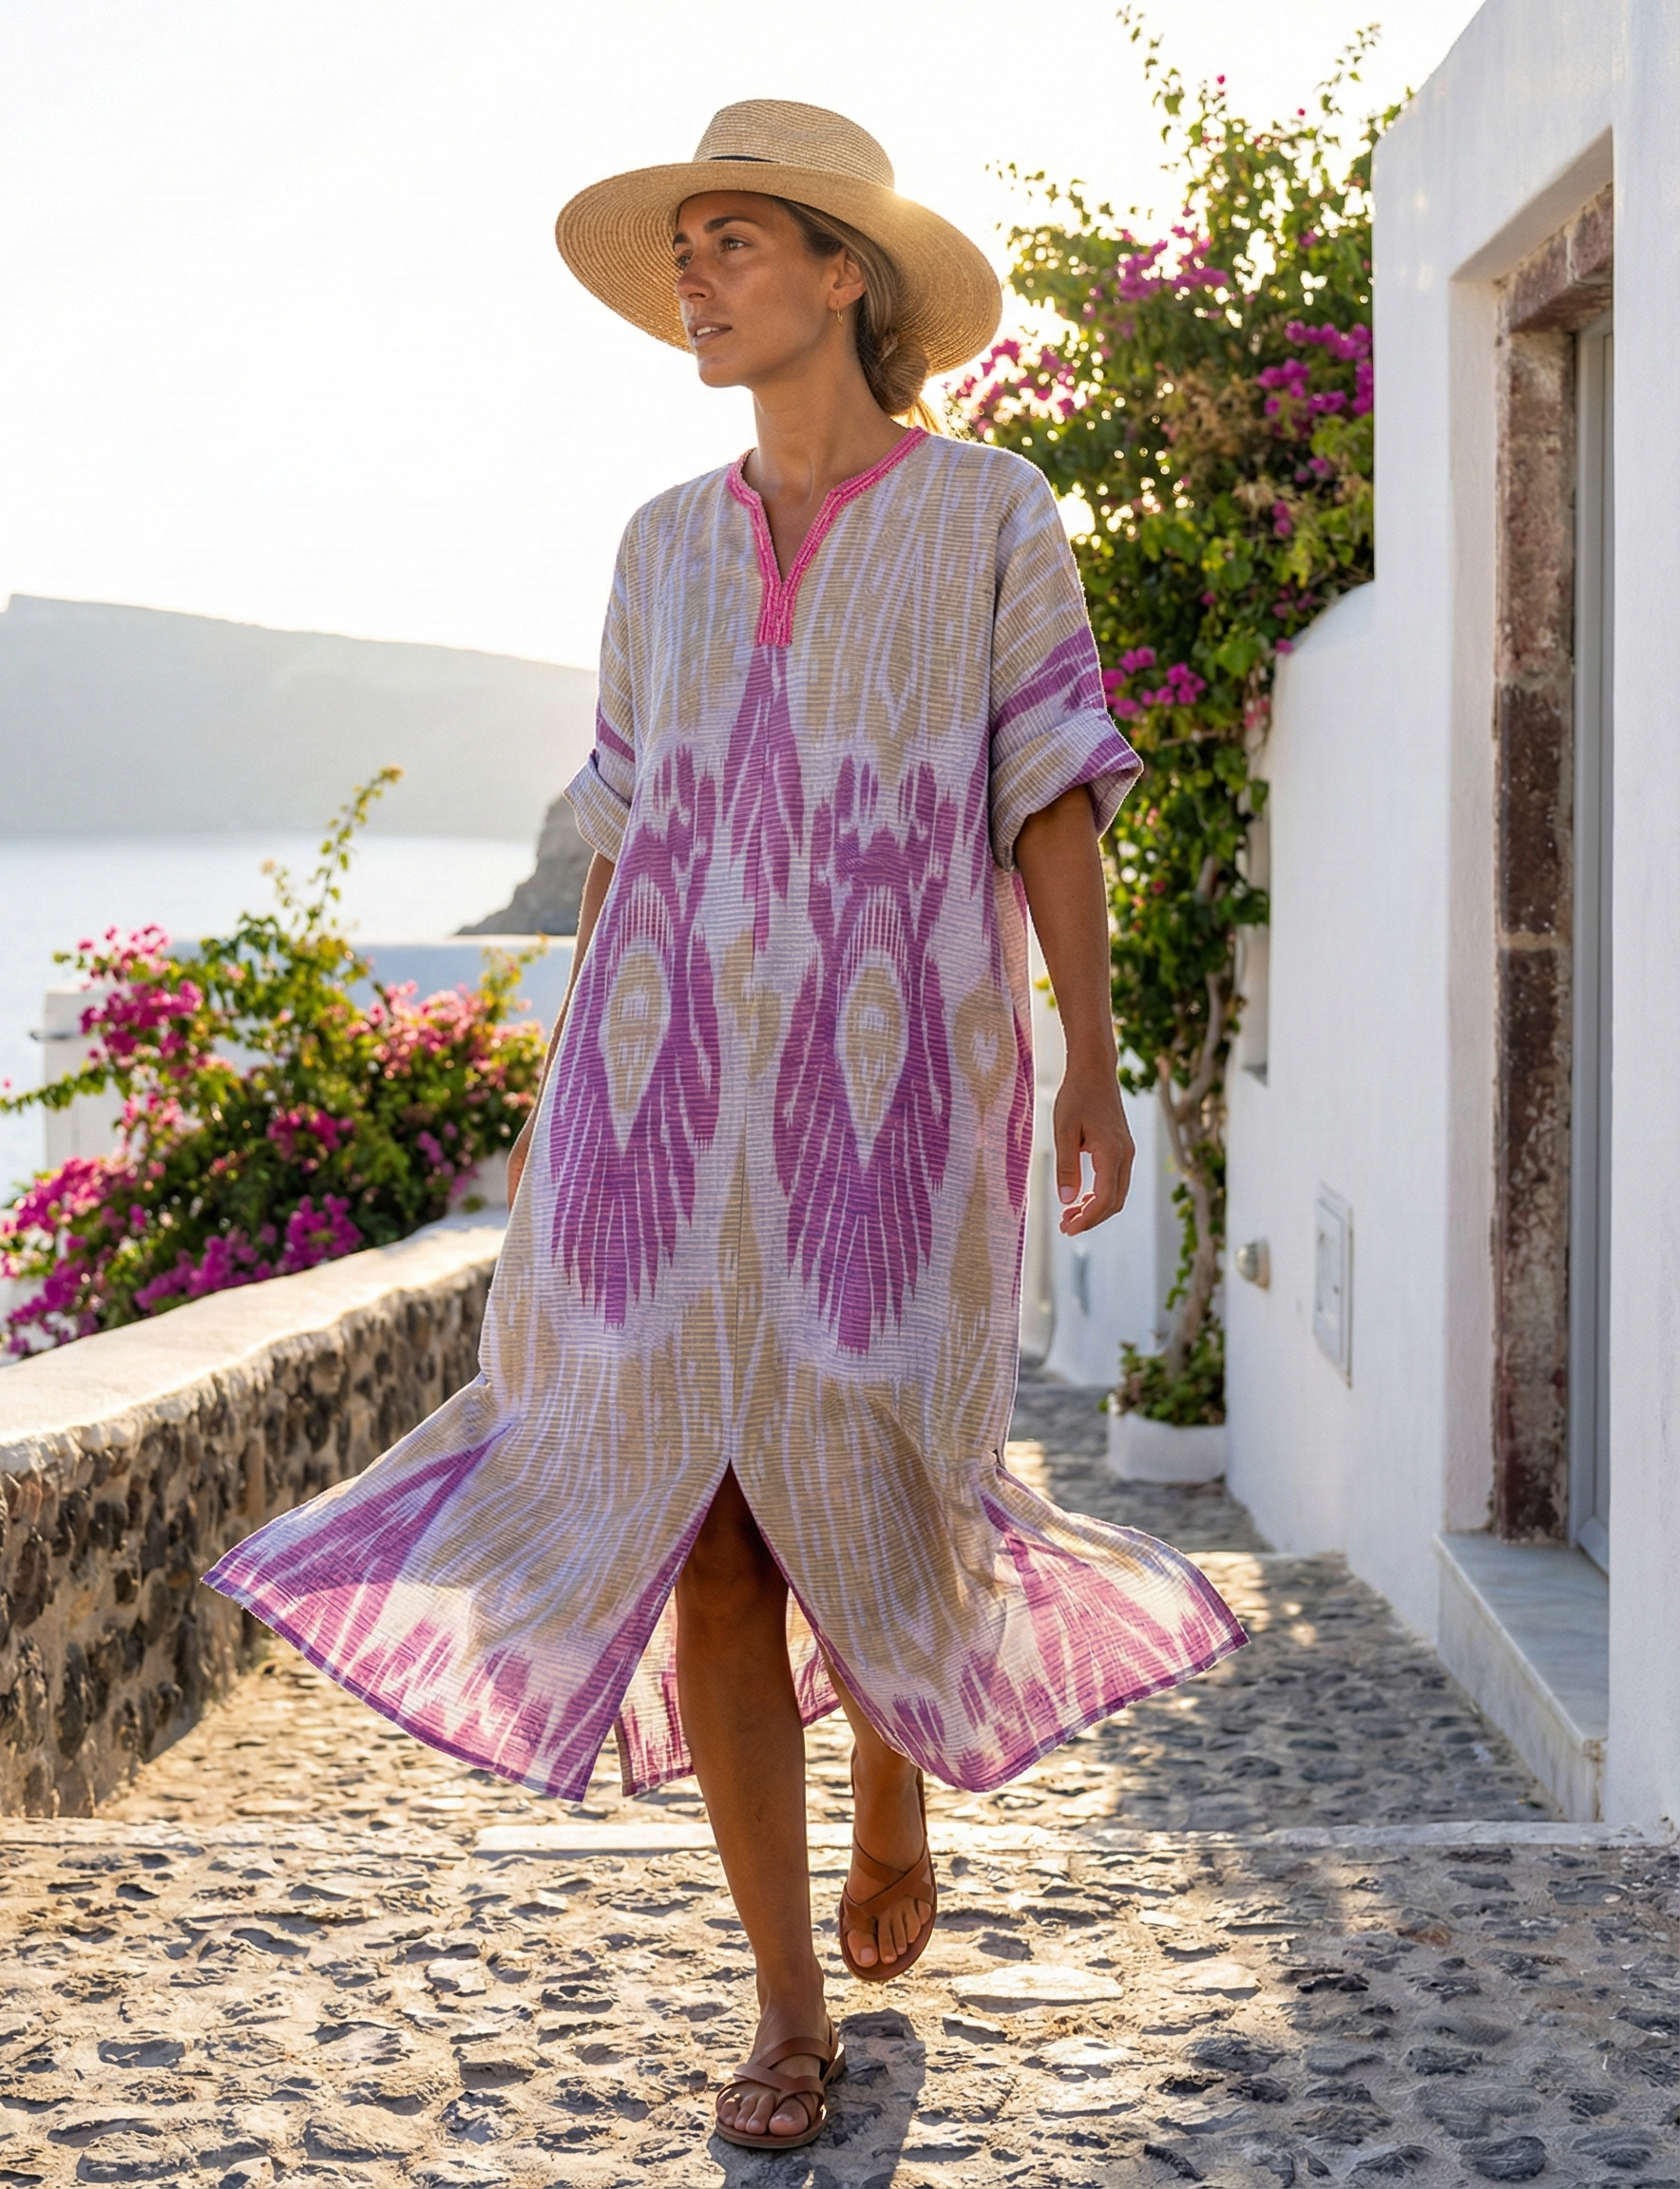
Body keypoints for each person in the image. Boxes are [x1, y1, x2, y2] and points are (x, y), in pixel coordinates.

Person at [205, 99, 1245, 2156]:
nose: (695, 275)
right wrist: (565, 1092)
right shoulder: (659, 544)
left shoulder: (988, 512)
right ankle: (785, 2007)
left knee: (878, 1480)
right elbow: (626, 832)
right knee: (711, 1532)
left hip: (896, 1101)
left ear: (847, 274)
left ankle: (896, 1772)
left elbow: (1048, 791)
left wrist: (1092, 1060)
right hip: (662, 1108)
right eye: (684, 247)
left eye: (735, 240)